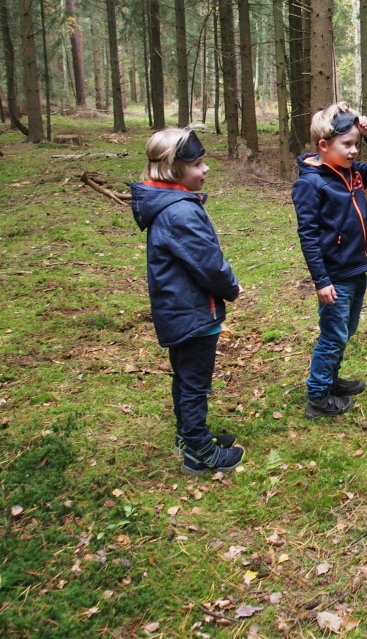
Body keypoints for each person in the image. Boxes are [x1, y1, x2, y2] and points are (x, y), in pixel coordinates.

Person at [130, 128, 245, 474]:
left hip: (177, 311)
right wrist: (232, 288)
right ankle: (198, 451)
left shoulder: (168, 204)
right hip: (192, 314)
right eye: (197, 164)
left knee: (184, 377)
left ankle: (187, 434)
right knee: (195, 382)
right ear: (173, 169)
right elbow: (207, 263)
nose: (205, 169)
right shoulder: (180, 212)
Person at [291, 102, 367, 419]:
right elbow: (308, 236)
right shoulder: (310, 184)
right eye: (346, 144)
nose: (353, 152)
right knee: (333, 335)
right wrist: (321, 281)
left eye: (356, 145)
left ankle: (330, 381)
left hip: (356, 269)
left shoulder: (353, 174)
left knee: (344, 331)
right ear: (324, 146)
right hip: (334, 276)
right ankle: (318, 399)